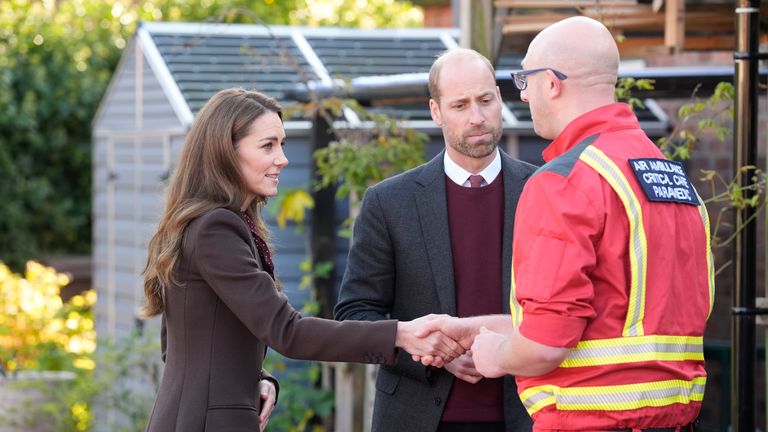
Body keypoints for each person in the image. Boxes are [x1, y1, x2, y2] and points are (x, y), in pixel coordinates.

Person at [140, 88, 465, 432]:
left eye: (281, 144)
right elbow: (288, 332)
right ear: (225, 152)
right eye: (267, 146)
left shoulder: (209, 222)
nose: (282, 158)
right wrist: (399, 334)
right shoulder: (216, 229)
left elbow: (183, 344)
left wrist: (256, 379)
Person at [462, 16, 714, 430]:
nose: (523, 96)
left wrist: (495, 355)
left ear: (552, 83)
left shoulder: (564, 181)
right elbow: (621, 317)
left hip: (591, 419)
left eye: (525, 80)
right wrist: (477, 328)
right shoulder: (669, 176)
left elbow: (546, 343)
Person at [334, 48, 537, 432]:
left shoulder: (543, 190)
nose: (477, 117)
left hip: (527, 414)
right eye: (460, 105)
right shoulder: (389, 202)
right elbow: (356, 314)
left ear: (499, 97)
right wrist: (433, 354)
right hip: (418, 416)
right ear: (435, 111)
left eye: (485, 100)